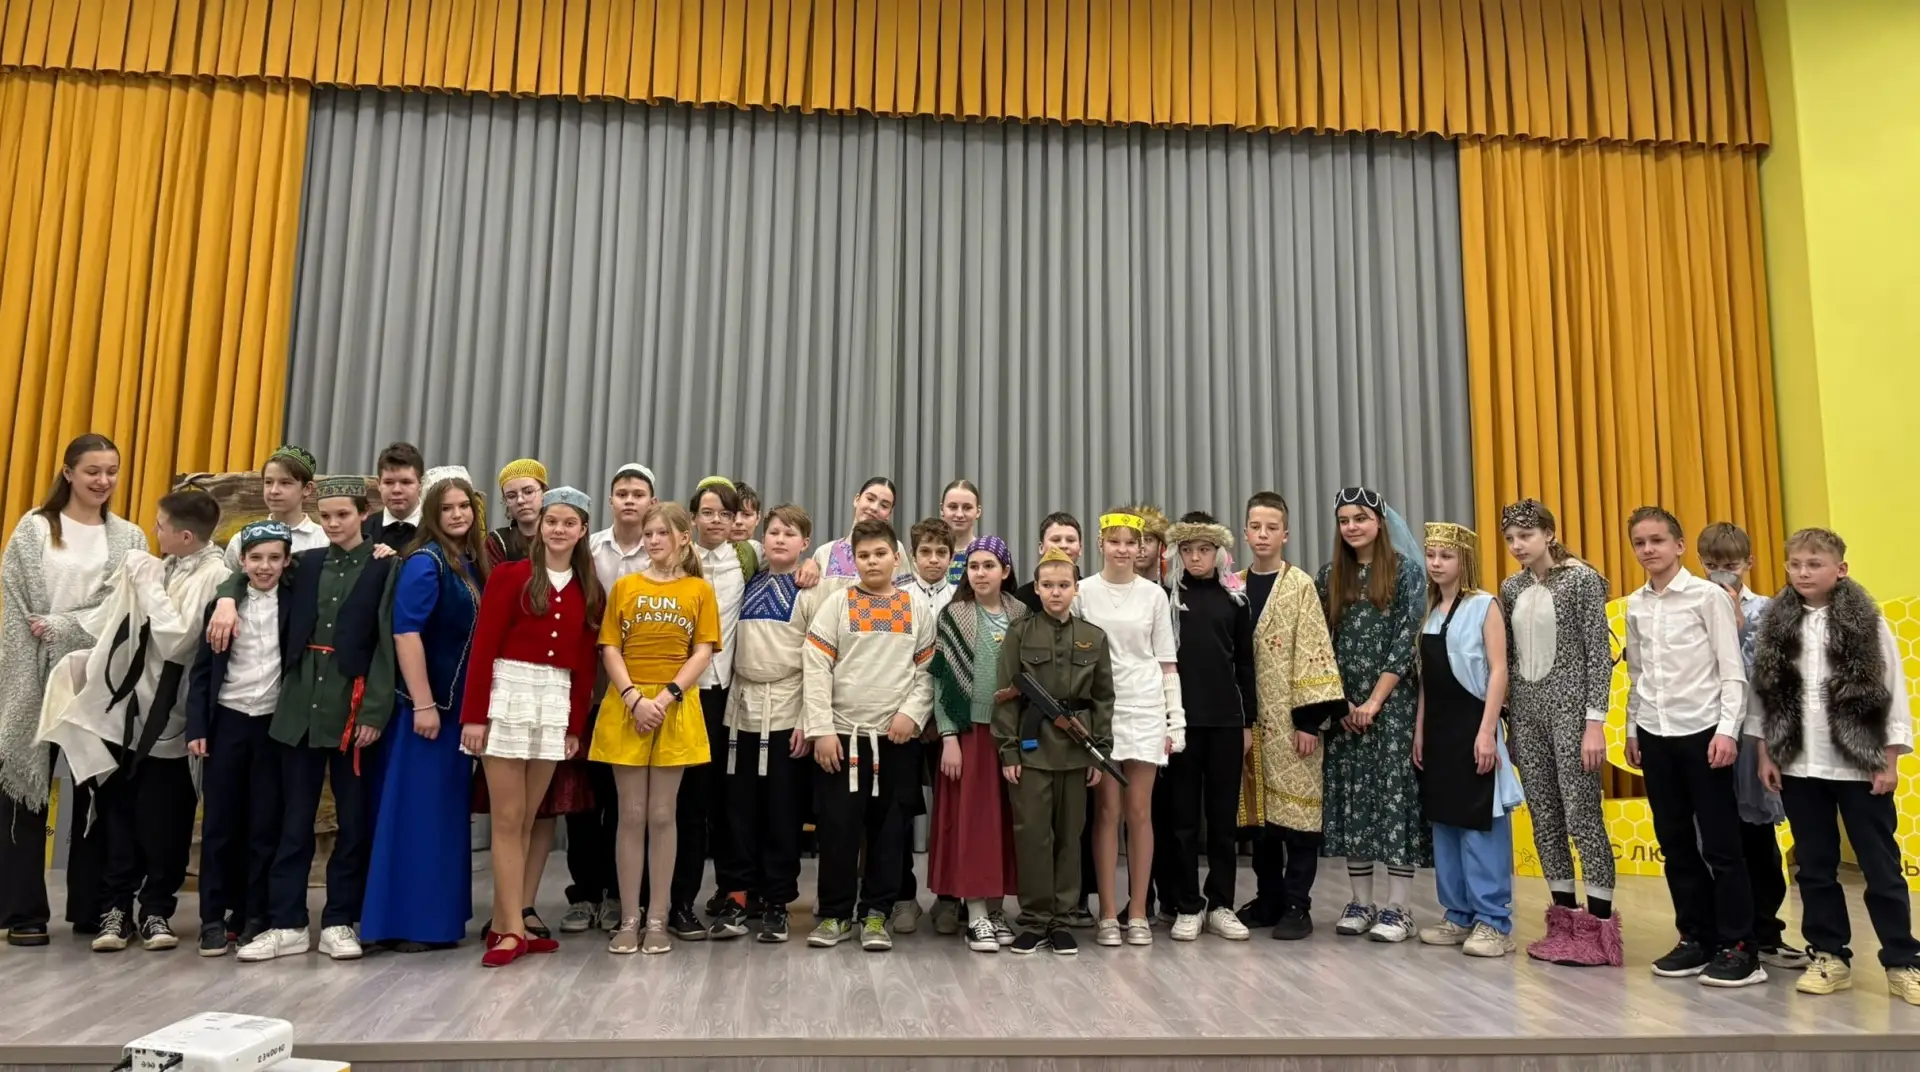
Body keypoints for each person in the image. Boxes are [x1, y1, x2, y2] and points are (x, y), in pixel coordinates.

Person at [38, 487, 229, 953]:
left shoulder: (216, 575)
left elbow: (179, 642)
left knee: (165, 821)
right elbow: (116, 622)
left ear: (185, 536)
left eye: (161, 526)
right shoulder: (165, 565)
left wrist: (149, 587)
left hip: (174, 721)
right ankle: (116, 908)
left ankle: (157, 909)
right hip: (127, 713)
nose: (154, 532)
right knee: (117, 813)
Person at [215, 474, 397, 963]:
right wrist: (228, 595)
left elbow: (387, 642)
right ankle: (288, 922)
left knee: (351, 822)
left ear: (364, 515)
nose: (334, 524)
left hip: (351, 708)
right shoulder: (306, 563)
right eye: (327, 516)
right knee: (291, 820)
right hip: (297, 708)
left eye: (344, 515)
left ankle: (340, 920)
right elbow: (251, 576)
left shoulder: (385, 567)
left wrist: (374, 710)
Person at [1750, 528, 1919, 1004]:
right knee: (1815, 867)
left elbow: (1893, 691)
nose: (1803, 573)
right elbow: (1765, 693)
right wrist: (1766, 752)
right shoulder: (1776, 625)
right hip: (1800, 765)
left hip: (1860, 765)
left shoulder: (1869, 623)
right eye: (1795, 564)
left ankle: (1903, 961)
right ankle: (1829, 956)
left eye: (1815, 564)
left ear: (1840, 569)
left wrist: (1888, 760)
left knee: (1880, 866)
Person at [0, 434, 145, 948]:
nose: (103, 481)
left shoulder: (129, 537)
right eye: (92, 471)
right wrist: (28, 665)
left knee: (96, 788)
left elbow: (125, 609)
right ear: (68, 473)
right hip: (32, 673)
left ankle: (94, 907)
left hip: (97, 678)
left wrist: (64, 627)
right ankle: (24, 912)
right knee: (23, 789)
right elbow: (16, 604)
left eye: (111, 471)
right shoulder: (34, 528)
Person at [461, 487, 603, 967]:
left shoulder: (588, 587)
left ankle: (512, 923)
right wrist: (475, 715)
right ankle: (508, 929)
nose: (558, 529)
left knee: (527, 818)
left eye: (569, 523)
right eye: (551, 521)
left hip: (554, 702)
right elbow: (484, 646)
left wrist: (574, 727)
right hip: (509, 695)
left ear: (583, 530)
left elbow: (584, 665)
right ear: (540, 526)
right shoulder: (510, 575)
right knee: (506, 818)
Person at [1622, 506, 1760, 987]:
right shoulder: (1635, 604)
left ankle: (1740, 946)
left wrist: (1727, 731)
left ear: (1680, 546)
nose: (1648, 550)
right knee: (1676, 843)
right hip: (1655, 734)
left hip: (1704, 732)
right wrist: (1633, 729)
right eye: (1640, 543)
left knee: (1722, 845)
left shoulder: (1708, 597)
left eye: (1657, 540)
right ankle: (1695, 938)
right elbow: (1638, 673)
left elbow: (1732, 671)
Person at [360, 468, 489, 954]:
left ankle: (436, 921)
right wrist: (424, 704)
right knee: (417, 816)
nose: (457, 515)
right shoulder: (426, 561)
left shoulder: (466, 562)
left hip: (453, 711)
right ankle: (405, 922)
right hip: (426, 712)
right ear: (432, 514)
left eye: (464, 507)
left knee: (442, 817)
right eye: (447, 508)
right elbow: (406, 633)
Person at [801, 518, 937, 952]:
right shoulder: (837, 604)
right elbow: (816, 667)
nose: (872, 561)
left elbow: (927, 671)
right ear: (854, 560)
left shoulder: (916, 608)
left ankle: (877, 913)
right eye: (863, 555)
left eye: (880, 554)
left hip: (895, 740)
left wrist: (911, 715)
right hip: (842, 739)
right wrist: (822, 729)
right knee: (838, 830)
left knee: (889, 832)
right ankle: (836, 914)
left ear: (896, 558)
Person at [1497, 500, 1623, 967]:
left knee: (1582, 815)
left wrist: (1595, 723)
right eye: (1510, 538)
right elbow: (1508, 658)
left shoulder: (1582, 580)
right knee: (1544, 817)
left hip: (1572, 712)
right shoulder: (1511, 587)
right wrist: (1509, 720)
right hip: (1527, 714)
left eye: (1526, 536)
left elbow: (1599, 655)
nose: (1517, 545)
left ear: (1549, 534)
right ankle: (1564, 923)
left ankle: (1599, 928)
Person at [593, 501, 720, 955]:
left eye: (662, 533)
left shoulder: (699, 590)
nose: (652, 541)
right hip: (628, 705)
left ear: (684, 537)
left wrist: (664, 698)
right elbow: (610, 646)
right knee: (630, 814)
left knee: (664, 815)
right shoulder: (625, 586)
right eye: (648, 534)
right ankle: (630, 917)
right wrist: (633, 698)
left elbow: (702, 651)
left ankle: (659, 918)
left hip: (674, 706)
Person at [1316, 487, 1429, 943]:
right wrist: (1341, 704)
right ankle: (1360, 901)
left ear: (1379, 522)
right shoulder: (1329, 576)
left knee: (1394, 797)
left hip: (1393, 706)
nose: (1352, 527)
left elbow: (1406, 640)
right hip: (1344, 709)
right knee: (1354, 797)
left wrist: (1374, 703)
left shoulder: (1406, 573)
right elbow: (1321, 644)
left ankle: (1399, 907)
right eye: (1344, 520)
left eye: (1360, 518)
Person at [1232, 492, 1345, 940]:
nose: (1263, 535)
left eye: (1271, 528)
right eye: (1255, 527)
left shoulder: (1299, 586)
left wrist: (1309, 721)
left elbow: (1315, 649)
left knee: (1298, 819)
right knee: (1261, 818)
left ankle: (1298, 904)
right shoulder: (1234, 585)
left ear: (1286, 534)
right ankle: (1269, 898)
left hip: (1292, 719)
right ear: (1245, 532)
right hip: (1249, 721)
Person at [994, 549, 1114, 955]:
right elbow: (1006, 695)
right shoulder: (1019, 633)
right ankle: (1033, 919)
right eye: (1047, 585)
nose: (1055, 592)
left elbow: (1103, 699)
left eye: (1064, 585)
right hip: (1032, 752)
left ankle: (1062, 920)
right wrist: (1009, 751)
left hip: (1076, 751)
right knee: (1032, 836)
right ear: (1037, 588)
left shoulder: (1094, 637)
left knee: (1069, 837)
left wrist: (1099, 752)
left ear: (1076, 589)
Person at [1413, 523, 1524, 958]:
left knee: (1480, 821)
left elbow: (1498, 670)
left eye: (1446, 556)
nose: (1436, 563)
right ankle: (1458, 914)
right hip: (1439, 730)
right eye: (1431, 555)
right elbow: (1427, 680)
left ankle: (1493, 921)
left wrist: (1486, 732)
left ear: (1464, 560)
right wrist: (1420, 729)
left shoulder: (1484, 605)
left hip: (1473, 724)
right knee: (1446, 822)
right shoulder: (1430, 610)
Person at [1698, 520, 1803, 971]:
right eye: (1713, 565)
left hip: (1754, 736)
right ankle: (1720, 930)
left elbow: (1770, 674)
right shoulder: (1694, 604)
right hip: (1706, 732)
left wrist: (1737, 627)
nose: (1723, 572)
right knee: (1713, 838)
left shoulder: (1768, 610)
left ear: (1749, 563)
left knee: (1757, 837)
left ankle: (1766, 930)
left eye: (1732, 564)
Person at [186, 520, 294, 955]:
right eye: (256, 558)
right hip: (227, 721)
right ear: (242, 561)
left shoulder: (297, 601)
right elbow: (201, 672)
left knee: (264, 825)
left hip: (272, 725)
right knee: (219, 825)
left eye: (274, 558)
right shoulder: (223, 605)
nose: (265, 566)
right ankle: (212, 917)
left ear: (287, 561)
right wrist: (198, 726)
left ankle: (253, 914)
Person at [1074, 511, 1179, 947]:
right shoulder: (1082, 592)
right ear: (1101, 544)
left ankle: (1137, 912)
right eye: (1114, 541)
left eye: (1130, 542)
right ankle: (1107, 912)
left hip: (1146, 707)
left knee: (1140, 812)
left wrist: (1175, 720)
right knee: (1106, 812)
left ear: (1141, 548)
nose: (1122, 549)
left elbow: (1167, 662)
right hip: (1102, 710)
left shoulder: (1154, 595)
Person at [726, 504, 828, 943]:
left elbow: (818, 660)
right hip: (741, 709)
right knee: (738, 810)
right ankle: (736, 896)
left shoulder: (812, 591)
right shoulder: (744, 580)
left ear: (805, 543)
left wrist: (808, 719)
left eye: (790, 533)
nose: (780, 539)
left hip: (787, 709)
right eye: (773, 532)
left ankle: (777, 902)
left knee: (782, 813)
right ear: (762, 540)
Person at [564, 462, 658, 934]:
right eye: (622, 493)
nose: (629, 500)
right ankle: (585, 894)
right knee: (583, 799)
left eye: (638, 494)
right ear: (610, 500)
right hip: (589, 690)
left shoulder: (661, 552)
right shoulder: (588, 549)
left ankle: (624, 895)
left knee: (628, 803)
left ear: (652, 502)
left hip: (638, 696)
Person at [1163, 512, 1257, 943]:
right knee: (1183, 820)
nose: (1196, 557)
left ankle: (1221, 903)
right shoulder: (1166, 598)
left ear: (1218, 551)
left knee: (1222, 821)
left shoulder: (1235, 600)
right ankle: (1188, 905)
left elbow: (1245, 664)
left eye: (1204, 549)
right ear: (1178, 552)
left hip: (1225, 723)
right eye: (1188, 550)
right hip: (1181, 723)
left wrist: (1248, 722)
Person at [674, 476, 761, 940]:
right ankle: (677, 902)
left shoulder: (747, 558)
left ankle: (733, 893)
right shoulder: (677, 559)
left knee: (728, 799)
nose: (716, 521)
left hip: (727, 692)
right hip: (680, 690)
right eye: (707, 513)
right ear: (693, 518)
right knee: (686, 802)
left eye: (725, 514)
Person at [929, 535, 1025, 953]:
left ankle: (998, 908)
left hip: (1010, 735)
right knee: (973, 824)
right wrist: (949, 736)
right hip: (970, 734)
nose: (980, 573)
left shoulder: (1021, 614)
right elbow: (942, 682)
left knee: (1005, 823)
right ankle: (976, 912)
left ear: (1005, 571)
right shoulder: (955, 615)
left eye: (989, 565)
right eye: (973, 566)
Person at [892, 515, 955, 932]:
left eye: (941, 552)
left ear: (951, 556)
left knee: (951, 812)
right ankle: (903, 897)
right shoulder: (897, 596)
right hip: (905, 720)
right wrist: (916, 715)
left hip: (950, 725)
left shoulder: (962, 597)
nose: (933, 559)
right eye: (926, 552)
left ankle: (949, 898)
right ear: (913, 556)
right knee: (900, 810)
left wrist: (941, 718)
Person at [222, 445, 327, 569]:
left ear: (307, 488)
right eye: (268, 482)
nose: (274, 490)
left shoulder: (322, 541)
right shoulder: (242, 539)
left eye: (285, 483)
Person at [811, 477, 912, 590]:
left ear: (889, 514)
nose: (874, 508)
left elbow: (904, 594)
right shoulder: (824, 553)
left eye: (884, 506)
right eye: (870, 499)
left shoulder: (894, 549)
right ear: (857, 500)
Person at [1011, 512, 1083, 615]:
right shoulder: (1021, 599)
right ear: (1041, 547)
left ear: (1080, 548)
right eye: (1056, 540)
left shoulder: (1090, 593)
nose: (1063, 545)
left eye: (1070, 540)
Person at [485, 458, 548, 569]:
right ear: (505, 501)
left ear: (544, 492)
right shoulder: (497, 542)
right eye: (511, 496)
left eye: (528, 492)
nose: (520, 500)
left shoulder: (560, 535)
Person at [363, 442, 425, 550]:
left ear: (421, 484)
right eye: (388, 482)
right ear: (378, 484)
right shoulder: (362, 530)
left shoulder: (437, 528)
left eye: (406, 482)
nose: (397, 490)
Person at [939, 480, 983, 585]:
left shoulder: (986, 554)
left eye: (967, 508)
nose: (959, 514)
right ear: (941, 509)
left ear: (978, 512)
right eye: (953, 507)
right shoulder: (925, 552)